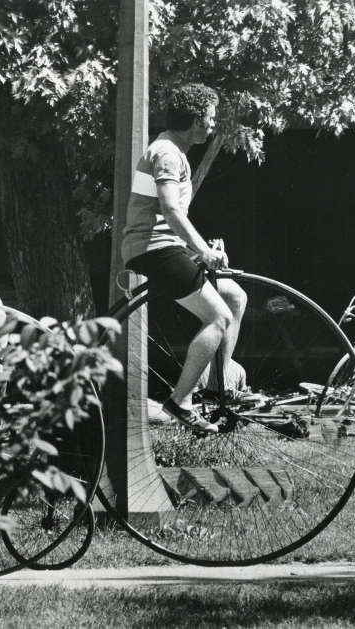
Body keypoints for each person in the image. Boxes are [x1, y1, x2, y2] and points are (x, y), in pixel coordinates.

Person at [121, 84, 247, 433]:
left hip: (164, 244)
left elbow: (166, 219)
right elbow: (170, 211)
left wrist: (202, 248)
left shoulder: (173, 151)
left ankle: (217, 387)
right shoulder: (166, 152)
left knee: (235, 296)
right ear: (193, 120)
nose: (212, 124)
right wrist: (202, 251)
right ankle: (181, 401)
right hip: (153, 249)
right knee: (218, 318)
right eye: (209, 118)